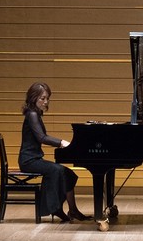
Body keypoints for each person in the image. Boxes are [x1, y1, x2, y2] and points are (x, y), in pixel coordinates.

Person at [19, 82, 91, 222]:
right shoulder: (32, 114)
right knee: (58, 170)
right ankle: (56, 208)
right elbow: (41, 138)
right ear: (33, 97)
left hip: (35, 159)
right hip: (28, 161)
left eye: (47, 98)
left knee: (68, 173)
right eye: (42, 98)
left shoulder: (35, 114)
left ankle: (72, 209)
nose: (45, 102)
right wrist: (61, 142)